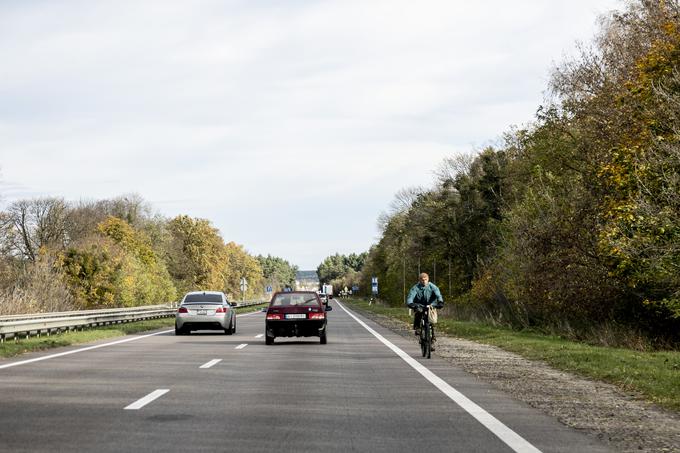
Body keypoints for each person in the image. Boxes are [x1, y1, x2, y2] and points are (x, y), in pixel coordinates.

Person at [406, 273, 444, 348]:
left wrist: (440, 302)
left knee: (432, 322)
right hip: (419, 305)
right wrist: (410, 303)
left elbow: (438, 294)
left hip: (431, 305)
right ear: (419, 280)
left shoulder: (432, 286)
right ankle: (417, 327)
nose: (424, 281)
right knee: (419, 312)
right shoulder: (415, 287)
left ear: (428, 279)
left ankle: (432, 340)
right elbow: (411, 296)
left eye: (425, 279)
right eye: (422, 280)